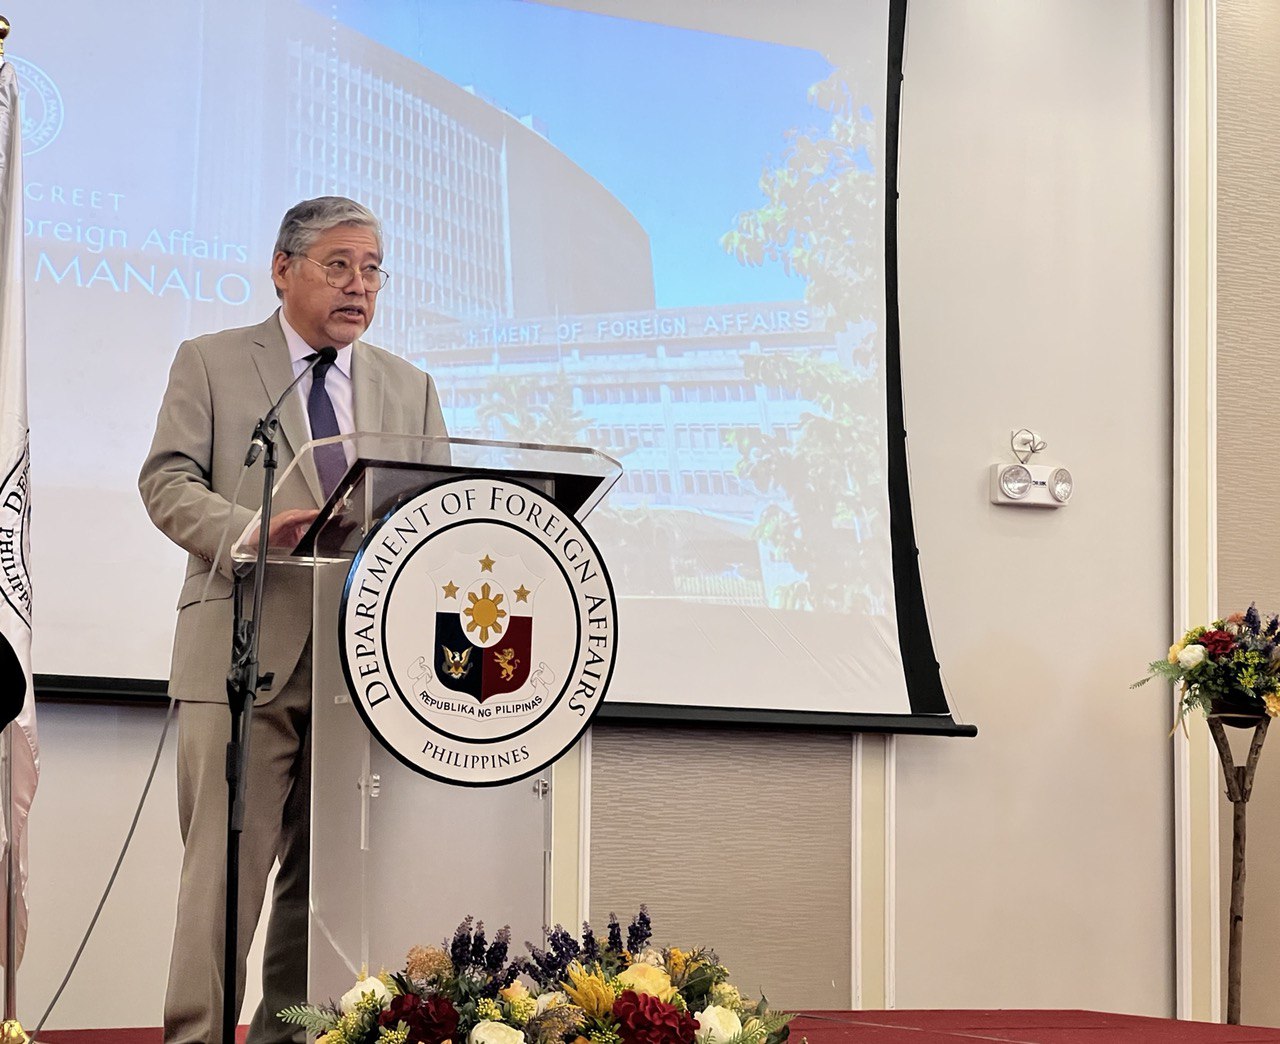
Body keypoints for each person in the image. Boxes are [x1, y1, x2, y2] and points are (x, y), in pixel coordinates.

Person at [139, 197, 447, 1044]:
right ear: (283, 269)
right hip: (239, 657)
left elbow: (436, 515)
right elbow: (166, 482)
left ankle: (292, 1036)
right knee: (223, 881)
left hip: (362, 670)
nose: (359, 286)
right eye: (339, 265)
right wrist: (249, 530)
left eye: (373, 269)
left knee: (325, 886)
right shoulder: (212, 362)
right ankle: (198, 1038)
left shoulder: (410, 389)